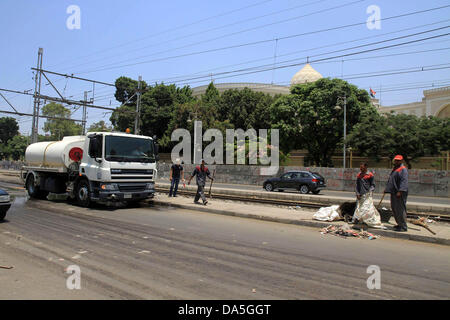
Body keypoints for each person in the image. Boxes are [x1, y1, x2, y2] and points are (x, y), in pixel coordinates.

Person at [352, 163, 385, 228]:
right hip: (360, 195)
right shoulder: (359, 175)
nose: (361, 169)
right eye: (360, 168)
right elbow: (357, 185)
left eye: (362, 168)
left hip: (367, 194)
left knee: (366, 208)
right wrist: (357, 193)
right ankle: (359, 220)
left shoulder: (370, 175)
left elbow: (373, 185)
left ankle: (367, 220)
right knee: (359, 208)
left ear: (366, 168)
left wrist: (370, 191)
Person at [384, 155, 409, 232]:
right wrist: (387, 189)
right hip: (394, 192)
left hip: (399, 192)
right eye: (396, 160)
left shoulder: (403, 169)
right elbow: (391, 180)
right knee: (394, 208)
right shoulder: (395, 169)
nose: (397, 162)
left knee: (400, 209)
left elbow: (404, 181)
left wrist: (400, 191)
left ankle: (403, 226)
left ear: (401, 161)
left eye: (398, 160)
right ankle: (399, 224)